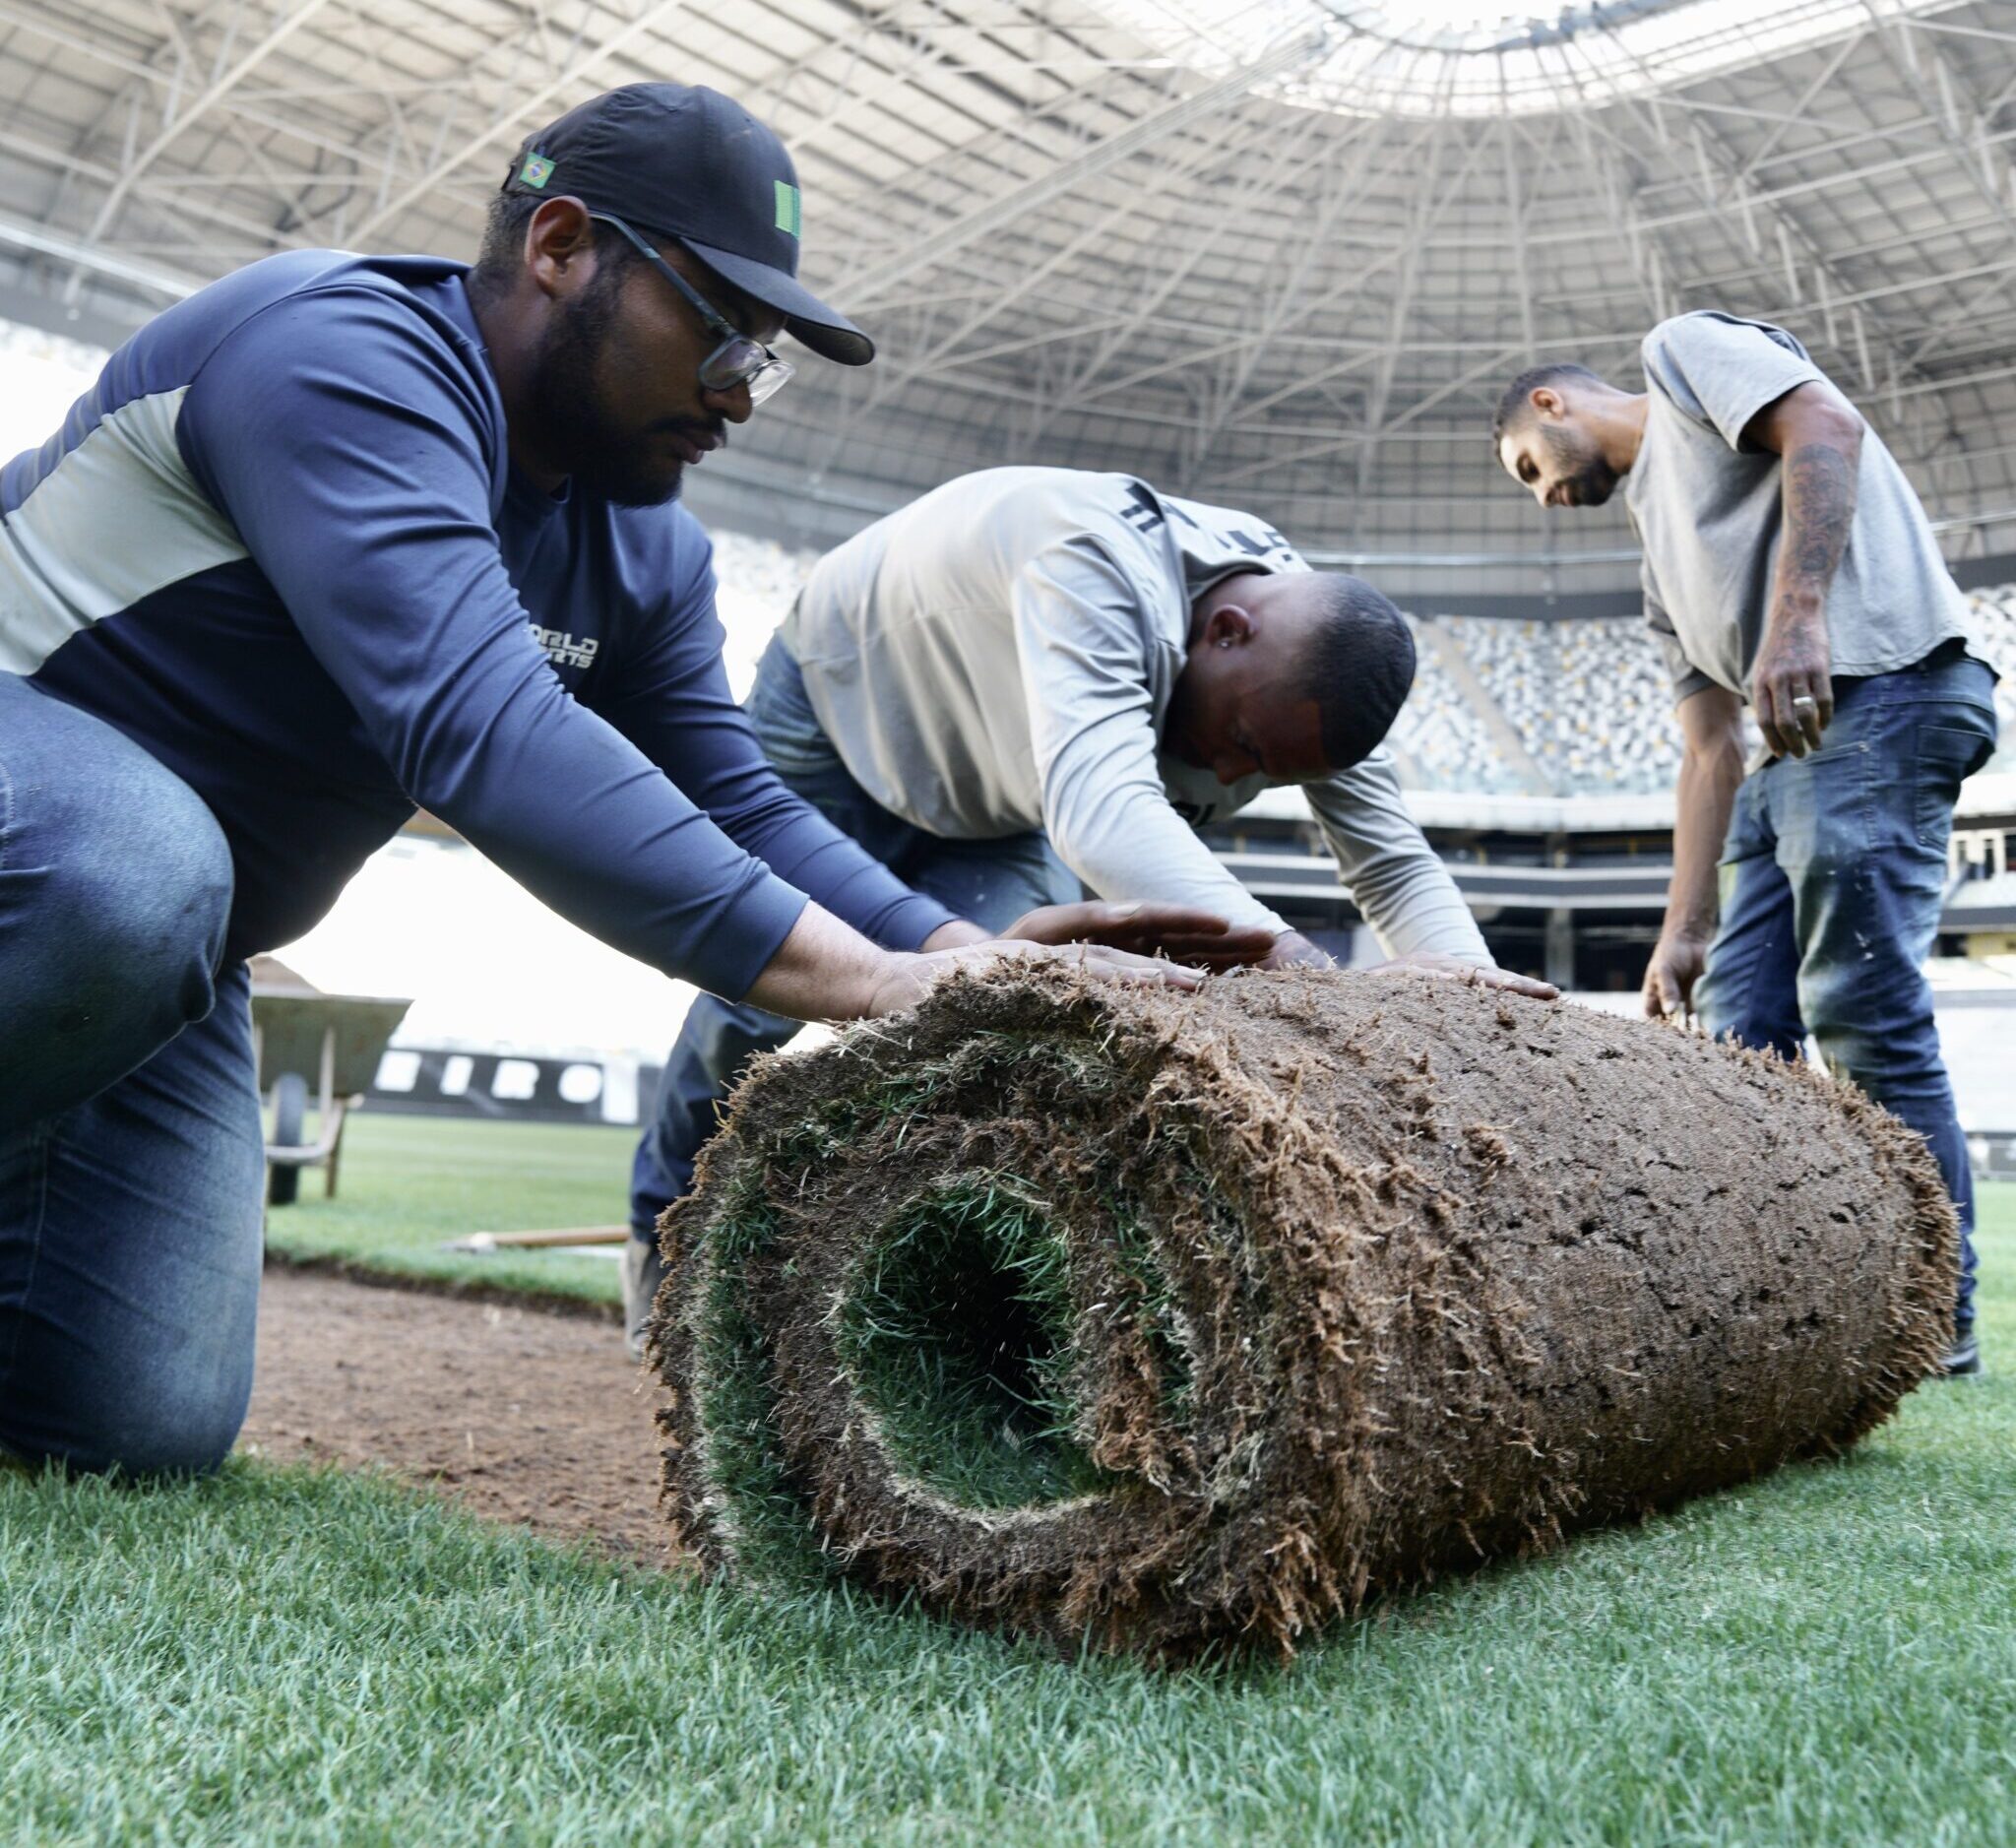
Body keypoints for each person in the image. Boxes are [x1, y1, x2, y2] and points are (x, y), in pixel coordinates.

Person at [0, 86, 1223, 1477]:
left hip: (166, 950)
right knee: (137, 865)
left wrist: (965, 953)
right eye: (720, 330)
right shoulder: (340, 354)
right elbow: (484, 729)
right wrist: (875, 987)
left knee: (132, 1430)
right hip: (76, 858)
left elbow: (742, 804)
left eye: (766, 358)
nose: (739, 395)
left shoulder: (648, 552)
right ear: (563, 245)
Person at [627, 465, 1554, 1350]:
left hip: (995, 798)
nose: (1231, 776)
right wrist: (1325, 988)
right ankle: (659, 1239)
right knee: (763, 992)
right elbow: (1103, 816)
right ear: (1225, 630)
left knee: (990, 1008)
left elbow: (1393, 865)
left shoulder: (1318, 664)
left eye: (1265, 773)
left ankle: (930, 1286)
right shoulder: (1091, 554)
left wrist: (1473, 1010)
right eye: (1238, 742)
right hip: (842, 707)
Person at [1491, 311, 1998, 1375]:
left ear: (1553, 403)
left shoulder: (1678, 355)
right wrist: (1682, 926)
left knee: (1860, 1009)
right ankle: (1784, 1315)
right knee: (1739, 1045)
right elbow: (1708, 748)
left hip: (1883, 687)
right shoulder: (1653, 556)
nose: (1541, 495)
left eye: (1529, 467)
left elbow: (1824, 421)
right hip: (1779, 757)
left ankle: (1928, 1324)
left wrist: (1799, 613)